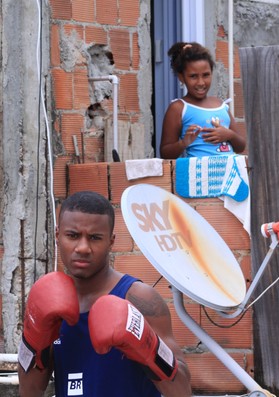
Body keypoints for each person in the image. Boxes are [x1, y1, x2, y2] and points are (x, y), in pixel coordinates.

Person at [18, 190, 192, 397]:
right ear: (57, 235)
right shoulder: (48, 302)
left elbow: (182, 390)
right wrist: (34, 337)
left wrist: (148, 347)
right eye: (73, 236)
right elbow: (30, 391)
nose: (83, 248)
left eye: (94, 238)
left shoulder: (139, 298)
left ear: (111, 241)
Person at [160, 42, 246, 159]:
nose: (201, 82)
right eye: (193, 76)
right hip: (200, 175)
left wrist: (229, 135)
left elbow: (241, 146)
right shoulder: (179, 108)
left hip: (229, 175)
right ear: (181, 77)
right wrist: (183, 143)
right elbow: (165, 153)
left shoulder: (220, 104)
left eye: (206, 75)